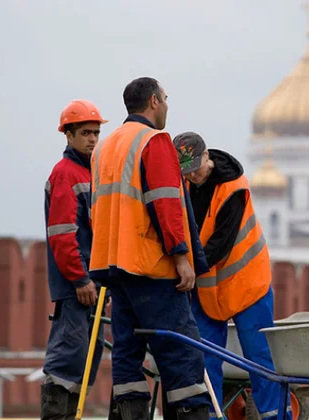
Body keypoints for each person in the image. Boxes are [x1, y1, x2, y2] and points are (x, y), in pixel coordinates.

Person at [88, 77, 212, 420]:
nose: (168, 106)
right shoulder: (154, 141)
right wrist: (182, 257)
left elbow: (97, 209)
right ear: (154, 102)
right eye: (167, 99)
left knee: (127, 354)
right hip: (151, 266)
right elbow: (166, 204)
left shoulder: (105, 146)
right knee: (181, 352)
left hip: (113, 266)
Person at [173, 132, 291, 420]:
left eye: (196, 169)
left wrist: (187, 268)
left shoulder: (233, 188)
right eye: (186, 173)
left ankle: (274, 416)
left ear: (206, 157)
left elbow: (220, 243)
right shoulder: (185, 183)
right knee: (204, 357)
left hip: (247, 283)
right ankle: (210, 416)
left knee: (259, 358)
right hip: (209, 287)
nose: (194, 177)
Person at [41, 99, 108, 420]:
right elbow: (62, 234)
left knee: (86, 359)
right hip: (77, 287)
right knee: (68, 359)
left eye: (95, 132)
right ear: (68, 136)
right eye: (85, 133)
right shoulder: (66, 173)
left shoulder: (91, 172)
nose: (93, 139)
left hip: (94, 285)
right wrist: (80, 279)